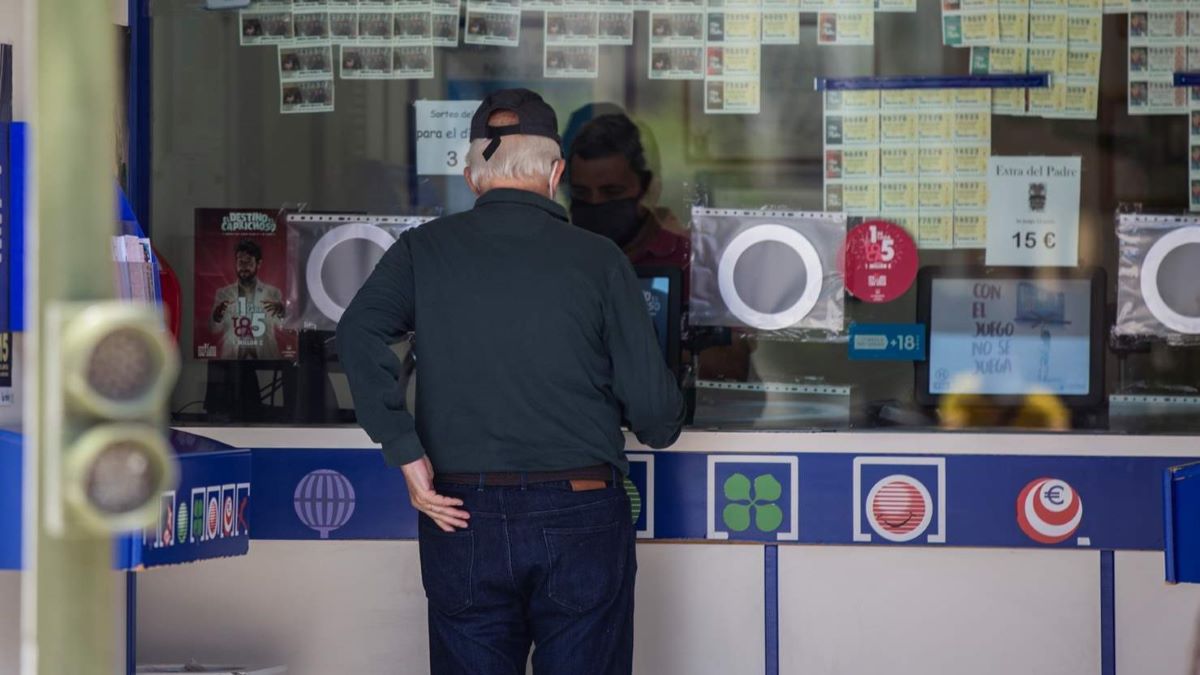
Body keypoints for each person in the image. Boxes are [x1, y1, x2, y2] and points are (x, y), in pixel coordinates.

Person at [337, 89, 684, 675]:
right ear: (556, 174)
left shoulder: (422, 251)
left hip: (459, 511)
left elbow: (358, 333)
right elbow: (655, 416)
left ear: (473, 179)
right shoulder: (600, 260)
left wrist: (405, 452)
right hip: (581, 512)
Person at [567, 112, 690, 270]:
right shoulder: (559, 258)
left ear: (646, 189)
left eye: (611, 192)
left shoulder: (684, 260)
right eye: (581, 192)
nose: (594, 201)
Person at [209, 239, 285, 360]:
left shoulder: (273, 292)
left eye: (248, 262)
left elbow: (282, 326)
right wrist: (217, 316)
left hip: (266, 357)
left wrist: (281, 311)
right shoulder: (223, 293)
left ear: (259, 263)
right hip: (232, 359)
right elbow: (214, 329)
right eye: (240, 262)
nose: (243, 266)